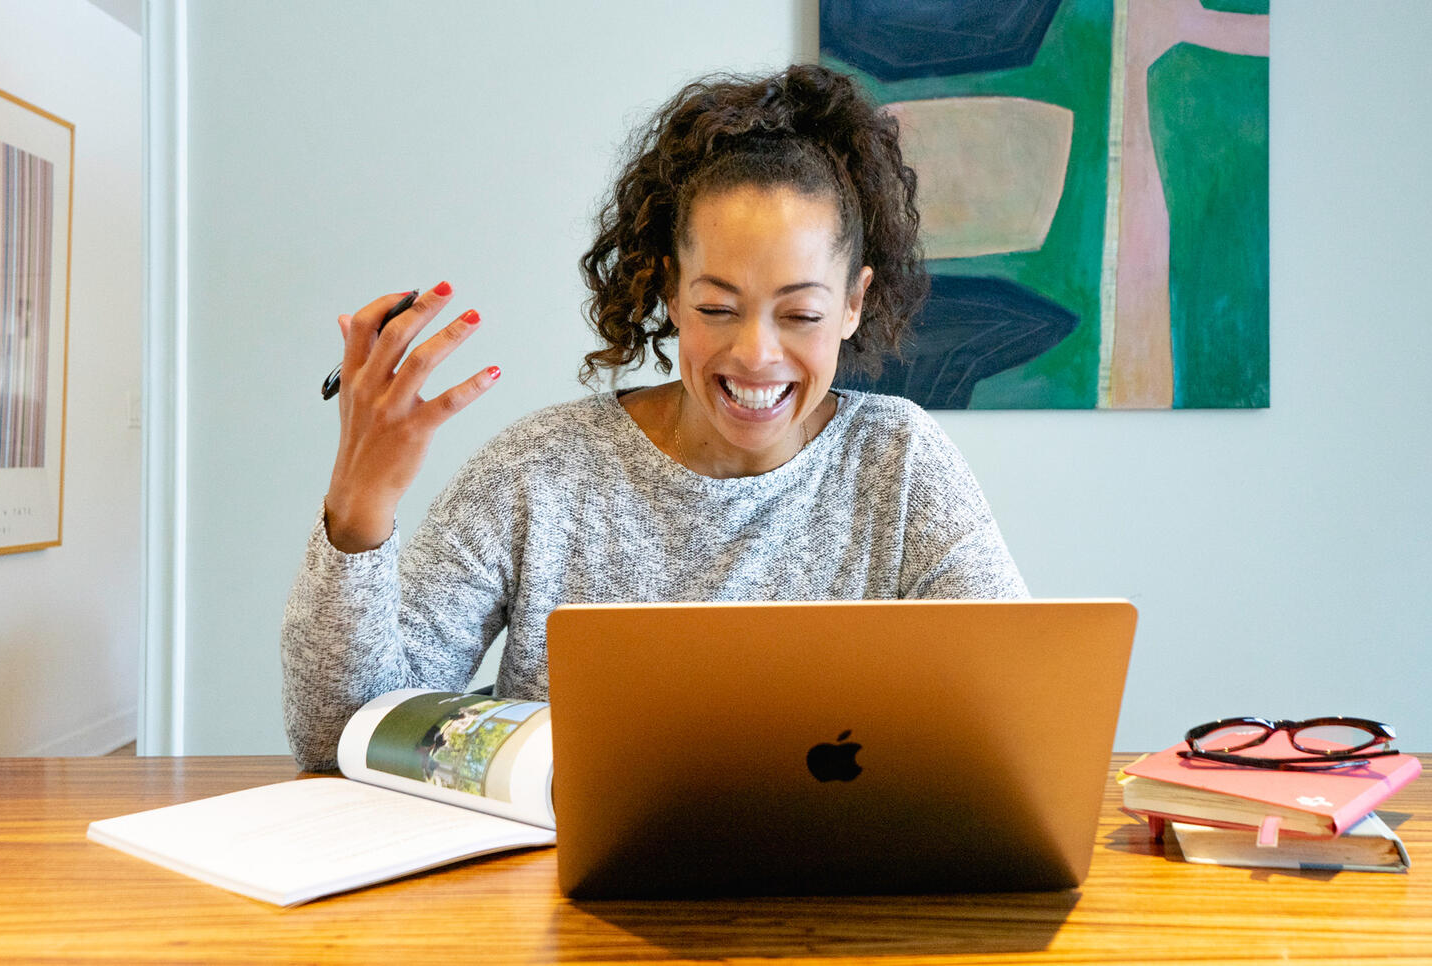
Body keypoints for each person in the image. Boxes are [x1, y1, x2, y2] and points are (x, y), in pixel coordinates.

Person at [281, 64, 1028, 770]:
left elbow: (1014, 721)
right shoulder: (539, 472)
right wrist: (360, 505)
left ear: (853, 304)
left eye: (800, 312)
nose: (756, 353)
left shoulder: (899, 464)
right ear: (670, 292)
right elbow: (338, 737)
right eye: (716, 308)